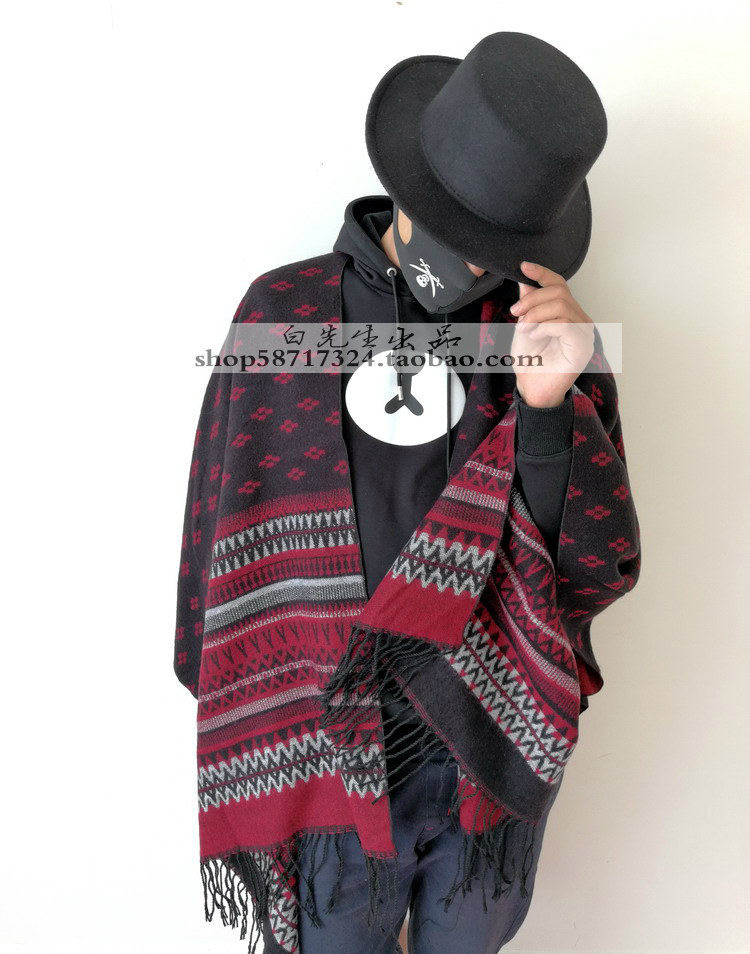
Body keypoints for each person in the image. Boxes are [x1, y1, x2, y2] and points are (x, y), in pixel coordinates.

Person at [174, 31, 641, 954]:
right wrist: (230, 675)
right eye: (461, 230)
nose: (474, 262)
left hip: (477, 739)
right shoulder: (281, 316)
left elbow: (586, 564)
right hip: (315, 741)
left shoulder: (539, 337)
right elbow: (217, 519)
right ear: (412, 186)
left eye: (497, 245)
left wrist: (550, 406)